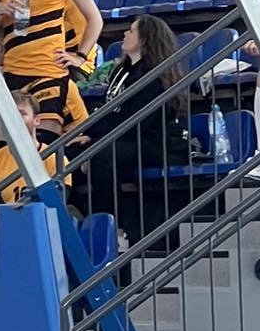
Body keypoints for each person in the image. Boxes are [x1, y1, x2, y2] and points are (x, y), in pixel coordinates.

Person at [80, 14, 190, 240]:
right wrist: (87, 135)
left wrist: (95, 139)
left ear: (144, 39)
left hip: (150, 142)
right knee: (68, 154)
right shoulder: (121, 70)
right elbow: (108, 110)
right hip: (119, 137)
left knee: (102, 155)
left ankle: (114, 231)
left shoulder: (155, 76)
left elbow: (133, 121)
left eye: (131, 31)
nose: (125, 34)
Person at [0, 0, 102, 144]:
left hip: (48, 70)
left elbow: (95, 18)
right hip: (13, 71)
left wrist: (80, 56)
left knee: (42, 142)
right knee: (4, 141)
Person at [0, 90, 67, 252]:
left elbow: (57, 204)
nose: (15, 119)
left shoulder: (55, 158)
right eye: (10, 114)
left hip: (43, 229)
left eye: (22, 113)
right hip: (6, 229)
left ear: (36, 120)